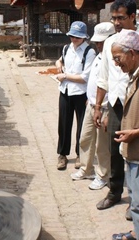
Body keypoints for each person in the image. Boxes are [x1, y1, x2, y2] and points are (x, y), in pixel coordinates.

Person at [93, 0, 137, 214]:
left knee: (135, 152)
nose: (117, 22)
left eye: (121, 18)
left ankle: (135, 201)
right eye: (114, 18)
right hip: (116, 103)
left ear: (132, 17)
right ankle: (114, 192)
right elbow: (104, 78)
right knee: (115, 151)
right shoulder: (110, 42)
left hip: (136, 103)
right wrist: (98, 107)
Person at [71, 22, 115, 190]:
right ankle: (86, 168)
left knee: (102, 146)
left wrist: (103, 107)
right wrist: (90, 99)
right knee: (85, 138)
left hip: (104, 108)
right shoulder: (98, 56)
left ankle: (103, 175)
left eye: (101, 42)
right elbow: (93, 80)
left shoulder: (113, 59)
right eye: (96, 42)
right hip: (91, 105)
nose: (98, 45)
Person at [55, 21, 96, 170]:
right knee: (64, 124)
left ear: (84, 37)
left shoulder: (89, 52)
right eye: (72, 36)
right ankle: (62, 154)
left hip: (81, 93)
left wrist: (65, 76)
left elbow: (85, 77)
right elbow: (61, 60)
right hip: (65, 91)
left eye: (77, 37)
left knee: (81, 125)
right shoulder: (67, 48)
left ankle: (80, 154)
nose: (74, 39)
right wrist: (58, 64)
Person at [110, 29, 139, 240]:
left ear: (133, 54)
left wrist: (135, 132)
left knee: (138, 203)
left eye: (118, 58)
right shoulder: (133, 76)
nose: (116, 63)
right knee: (136, 200)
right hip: (132, 152)